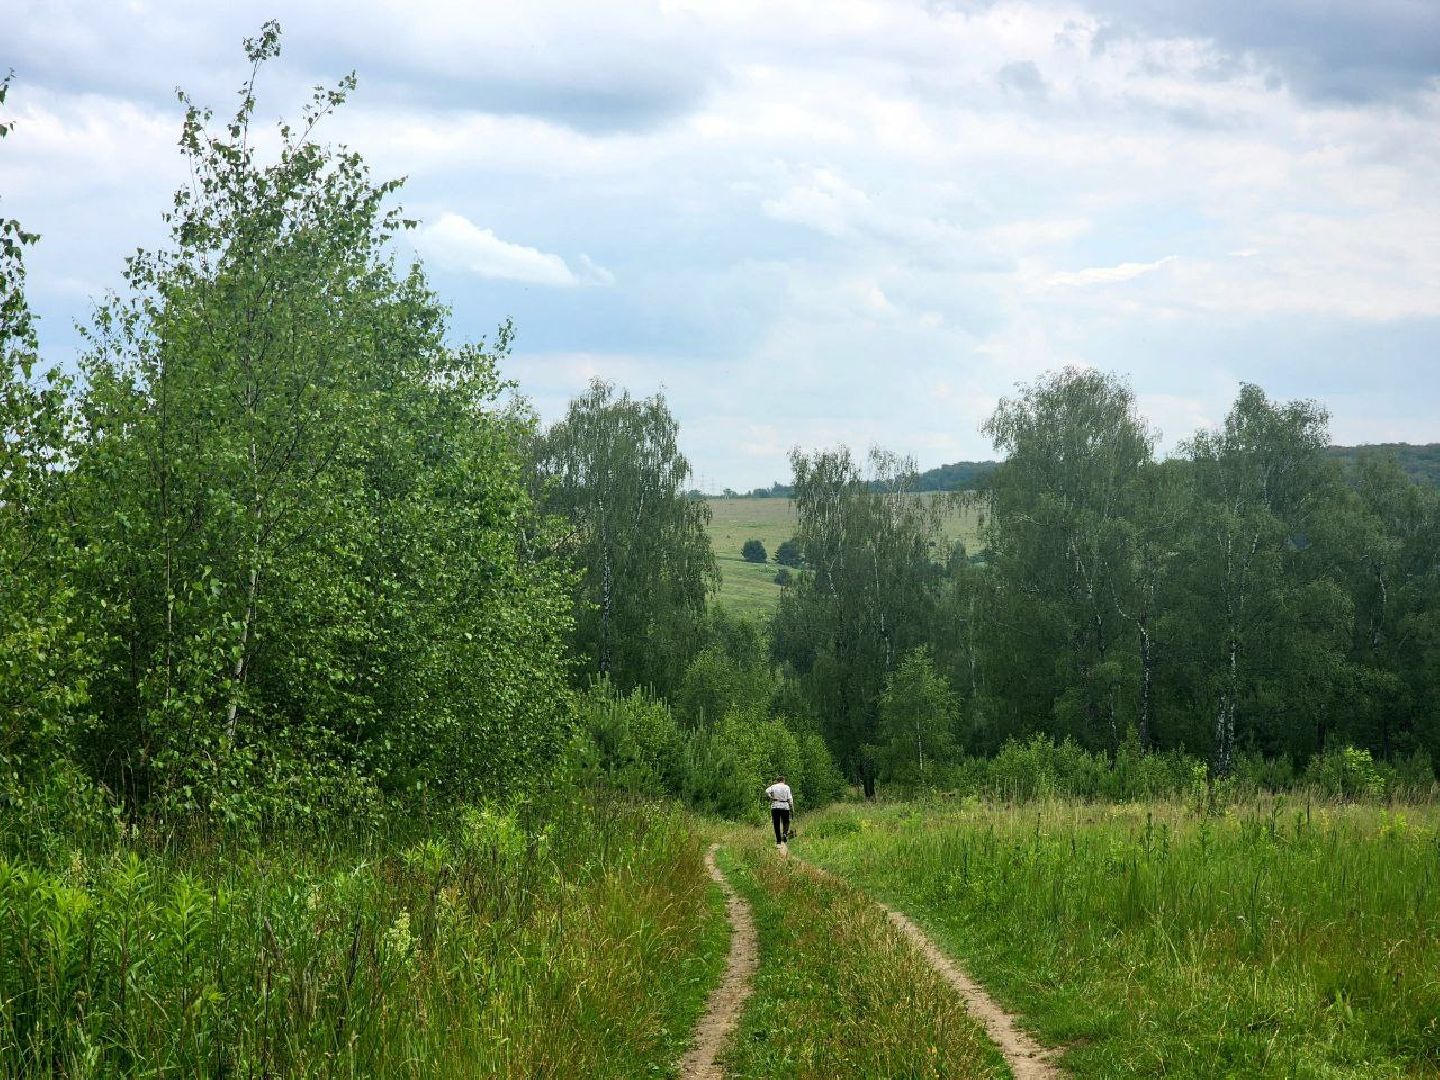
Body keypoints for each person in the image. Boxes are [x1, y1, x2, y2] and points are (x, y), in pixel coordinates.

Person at [764, 775, 794, 848]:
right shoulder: (787, 787)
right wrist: (792, 807)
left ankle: (778, 840)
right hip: (785, 806)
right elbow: (790, 798)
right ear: (783, 780)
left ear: (777, 781)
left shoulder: (773, 786)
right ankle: (784, 834)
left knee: (776, 823)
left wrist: (771, 797)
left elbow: (766, 791)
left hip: (775, 806)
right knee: (786, 822)